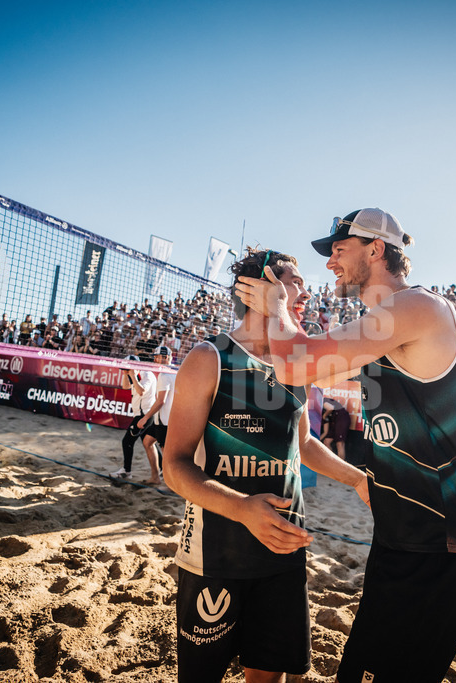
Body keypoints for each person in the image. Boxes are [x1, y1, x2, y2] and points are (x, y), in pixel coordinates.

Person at [235, 208, 456, 683]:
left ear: (376, 249)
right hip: (407, 533)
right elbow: (305, 372)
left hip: (435, 541)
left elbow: (294, 364)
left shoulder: (415, 308)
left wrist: (278, 306)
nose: (330, 262)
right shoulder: (385, 326)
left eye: (338, 249)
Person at [163, 248, 369, 683]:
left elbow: (304, 444)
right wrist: (241, 508)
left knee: (269, 676)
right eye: (294, 280)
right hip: (215, 551)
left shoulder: (296, 362)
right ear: (259, 289)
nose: (306, 291)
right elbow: (175, 466)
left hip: (283, 547)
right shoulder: (210, 358)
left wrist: (356, 479)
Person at [110, 355, 159, 484]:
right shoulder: (136, 375)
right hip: (142, 414)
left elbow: (141, 391)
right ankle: (159, 472)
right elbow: (125, 386)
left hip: (144, 415)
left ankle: (126, 471)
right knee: (149, 444)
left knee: (127, 441)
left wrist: (132, 375)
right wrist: (126, 374)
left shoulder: (147, 374)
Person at [138, 345, 175, 477]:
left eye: (157, 357)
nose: (155, 360)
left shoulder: (165, 375)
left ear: (165, 358)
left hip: (164, 421)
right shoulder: (176, 371)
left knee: (167, 455)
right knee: (147, 442)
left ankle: (170, 485)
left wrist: (146, 417)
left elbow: (161, 401)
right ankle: (155, 477)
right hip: (165, 419)